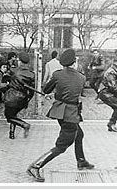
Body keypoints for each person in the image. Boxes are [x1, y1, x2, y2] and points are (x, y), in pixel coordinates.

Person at [27, 49, 94, 182]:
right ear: (74, 62)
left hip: (61, 112)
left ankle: (81, 161)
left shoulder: (57, 75)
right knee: (61, 146)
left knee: (79, 134)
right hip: (71, 114)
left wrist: (53, 94)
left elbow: (46, 89)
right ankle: (35, 166)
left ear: (62, 63)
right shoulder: (82, 77)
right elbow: (75, 93)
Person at [3, 52, 34, 139]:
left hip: (12, 96)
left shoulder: (13, 70)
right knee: (14, 115)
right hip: (23, 98)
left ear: (20, 61)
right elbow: (32, 91)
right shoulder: (32, 74)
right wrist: (27, 100)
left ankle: (24, 125)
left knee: (9, 117)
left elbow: (5, 78)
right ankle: (11, 133)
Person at [97, 57, 117, 133]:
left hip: (107, 93)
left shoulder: (113, 71)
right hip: (106, 93)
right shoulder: (111, 72)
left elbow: (116, 84)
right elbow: (112, 86)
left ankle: (111, 124)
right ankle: (111, 124)